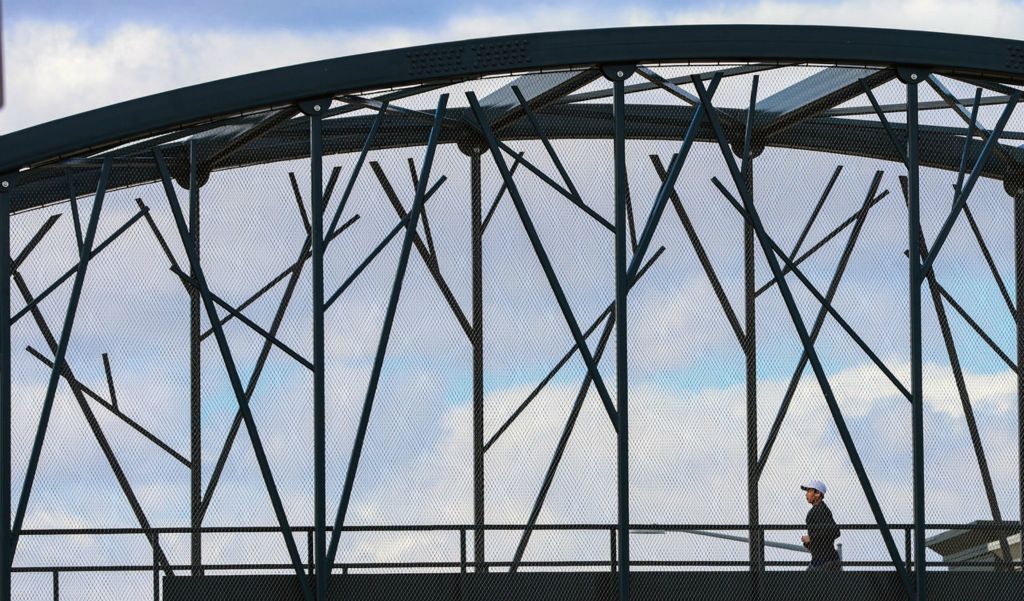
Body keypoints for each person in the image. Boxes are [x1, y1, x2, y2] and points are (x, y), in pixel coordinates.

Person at [800, 479, 842, 571]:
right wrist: (810, 543)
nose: (806, 494)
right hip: (825, 560)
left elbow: (835, 532)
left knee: (802, 583)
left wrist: (811, 538)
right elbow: (825, 535)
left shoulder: (820, 510)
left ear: (817, 493)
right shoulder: (820, 509)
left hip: (825, 562)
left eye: (809, 491)